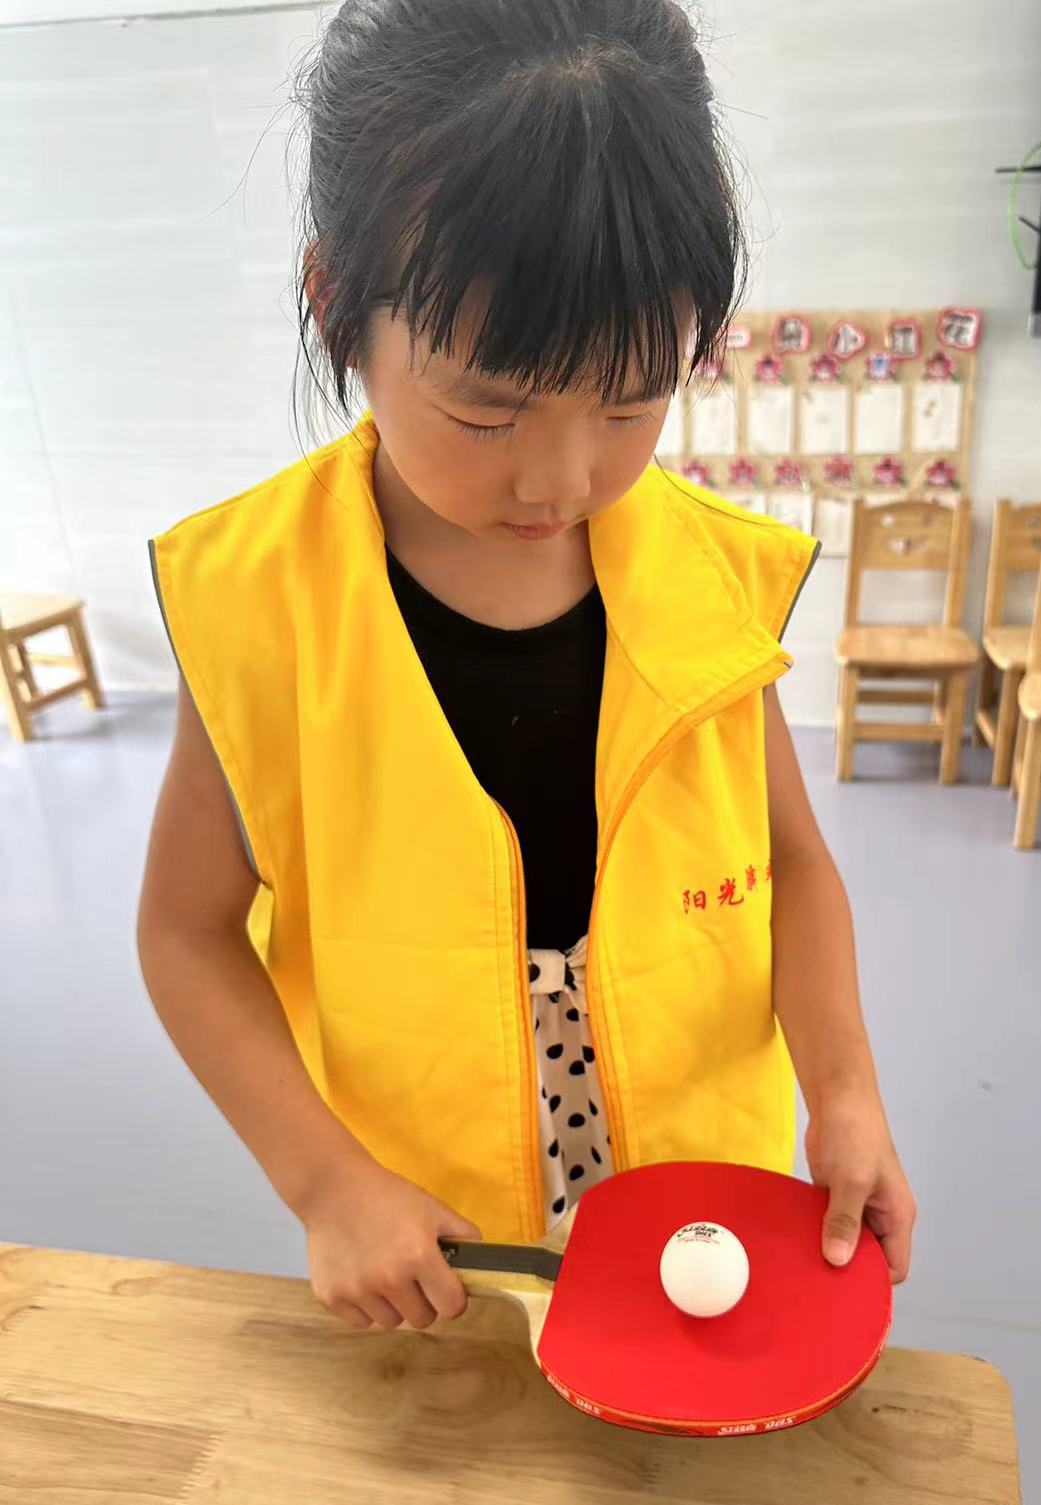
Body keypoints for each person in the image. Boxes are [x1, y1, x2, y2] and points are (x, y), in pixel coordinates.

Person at [137, 0, 915, 1337]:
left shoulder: (706, 577)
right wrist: (326, 1184)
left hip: (696, 1195)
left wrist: (846, 1092)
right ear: (337, 304)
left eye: (631, 403)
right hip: (435, 1230)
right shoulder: (261, 602)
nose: (560, 479)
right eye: (486, 408)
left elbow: (791, 864)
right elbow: (183, 932)